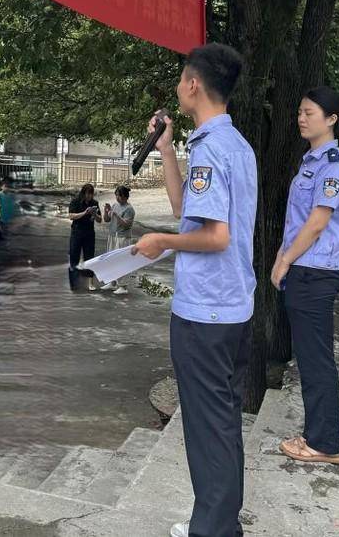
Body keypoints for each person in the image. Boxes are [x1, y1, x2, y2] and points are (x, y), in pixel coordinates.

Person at [132, 43, 256, 537]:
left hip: (206, 313)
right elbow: (190, 207)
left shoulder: (211, 149)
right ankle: (218, 522)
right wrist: (165, 149)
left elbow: (215, 235)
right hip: (232, 306)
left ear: (193, 85)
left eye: (183, 78)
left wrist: (161, 240)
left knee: (209, 429)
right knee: (220, 423)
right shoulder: (236, 145)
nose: (180, 86)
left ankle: (212, 529)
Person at [271, 86, 339, 467]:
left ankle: (323, 443)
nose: (301, 118)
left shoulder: (332, 164)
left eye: (309, 112)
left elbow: (318, 223)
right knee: (309, 357)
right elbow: (299, 221)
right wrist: (282, 255)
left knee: (315, 359)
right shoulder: (311, 161)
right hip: (305, 268)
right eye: (300, 112)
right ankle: (316, 435)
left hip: (314, 272)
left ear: (332, 119)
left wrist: (286, 260)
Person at [67, 183, 102, 291]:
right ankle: (73, 283)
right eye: (87, 194)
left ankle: (90, 283)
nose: (89, 196)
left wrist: (94, 214)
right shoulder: (75, 201)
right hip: (77, 232)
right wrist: (84, 213)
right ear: (83, 193)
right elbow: (71, 216)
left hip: (89, 233)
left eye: (91, 194)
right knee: (74, 257)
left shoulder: (94, 203)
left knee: (90, 258)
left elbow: (100, 220)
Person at [104, 186, 136, 295]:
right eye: (116, 195)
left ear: (125, 197)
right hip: (113, 235)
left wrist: (116, 216)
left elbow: (127, 224)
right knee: (111, 259)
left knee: (121, 261)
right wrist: (106, 210)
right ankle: (112, 282)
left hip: (123, 237)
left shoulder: (129, 209)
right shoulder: (115, 205)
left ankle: (123, 286)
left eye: (119, 196)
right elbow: (107, 219)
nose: (117, 198)